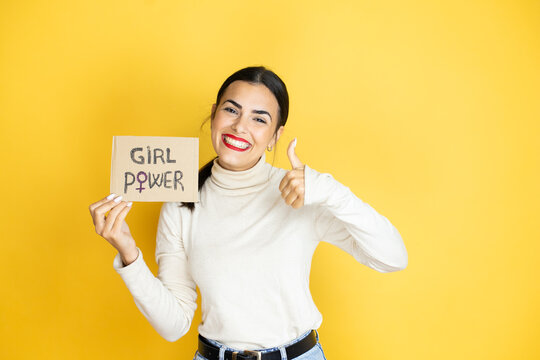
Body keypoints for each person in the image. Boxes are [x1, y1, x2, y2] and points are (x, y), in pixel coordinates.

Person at [88, 66, 408, 360]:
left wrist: (330, 191)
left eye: (259, 118)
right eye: (231, 110)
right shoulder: (180, 204)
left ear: (275, 136)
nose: (240, 126)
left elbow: (392, 258)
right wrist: (128, 252)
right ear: (214, 115)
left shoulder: (301, 193)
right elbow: (174, 326)